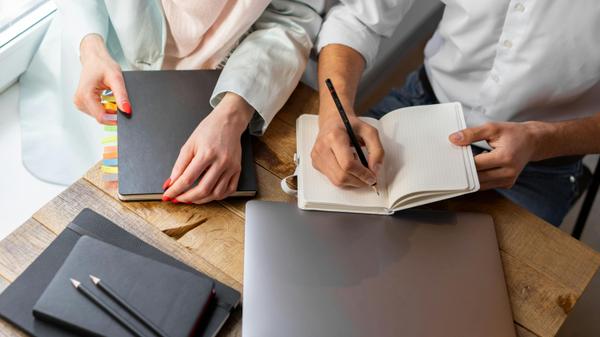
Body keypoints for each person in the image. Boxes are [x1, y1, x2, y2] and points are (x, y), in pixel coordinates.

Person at [311, 0, 600, 226]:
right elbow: (360, 18)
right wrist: (333, 115)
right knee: (324, 228)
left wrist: (540, 140)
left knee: (478, 291)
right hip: (421, 105)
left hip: (540, 162)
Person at [19, 0, 320, 204]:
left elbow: (292, 15)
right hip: (101, 56)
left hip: (222, 79)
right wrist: (90, 46)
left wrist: (232, 113)